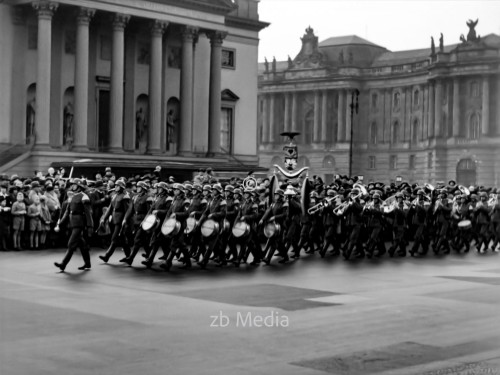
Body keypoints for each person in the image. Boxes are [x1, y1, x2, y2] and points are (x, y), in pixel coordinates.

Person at [54, 179, 94, 271]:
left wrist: (90, 226)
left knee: (71, 244)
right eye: (72, 185)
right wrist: (60, 223)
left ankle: (63, 264)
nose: (72, 186)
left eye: (74, 185)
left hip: (79, 223)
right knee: (82, 244)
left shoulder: (84, 197)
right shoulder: (72, 196)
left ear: (79, 186)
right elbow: (67, 212)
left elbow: (88, 213)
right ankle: (87, 264)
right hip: (72, 223)